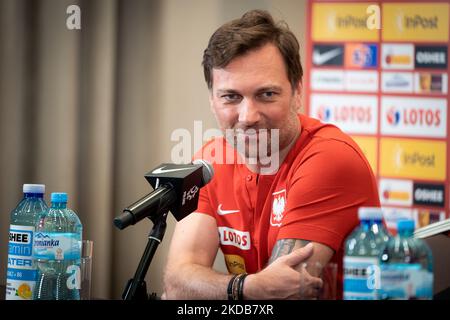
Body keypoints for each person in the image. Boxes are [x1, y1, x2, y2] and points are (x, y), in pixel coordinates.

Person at [163, 9, 380, 300]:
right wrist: (245, 287)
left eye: (266, 94)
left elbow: (286, 293)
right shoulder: (210, 161)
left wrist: (222, 292)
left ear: (298, 91)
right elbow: (178, 283)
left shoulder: (330, 158)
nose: (248, 116)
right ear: (212, 100)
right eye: (231, 96)